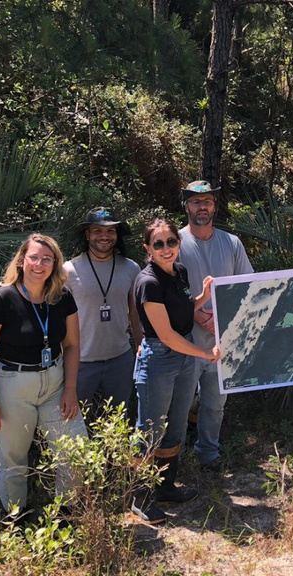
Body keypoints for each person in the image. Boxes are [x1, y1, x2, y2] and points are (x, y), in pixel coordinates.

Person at [0, 234, 87, 513]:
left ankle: (66, 515)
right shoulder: (1, 300)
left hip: (55, 382)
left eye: (47, 259)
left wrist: (70, 388)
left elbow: (71, 345)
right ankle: (16, 518)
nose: (40, 264)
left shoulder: (62, 298)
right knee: (14, 460)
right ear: (22, 261)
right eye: (34, 257)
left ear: (55, 265)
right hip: (12, 385)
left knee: (75, 450)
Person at [130, 217, 219, 524]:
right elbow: (166, 334)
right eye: (158, 244)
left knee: (177, 425)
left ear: (178, 244)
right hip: (160, 360)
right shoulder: (148, 283)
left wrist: (202, 299)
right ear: (148, 248)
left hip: (184, 358)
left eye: (171, 242)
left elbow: (181, 311)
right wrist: (206, 353)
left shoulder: (179, 272)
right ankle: (140, 497)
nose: (166, 248)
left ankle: (166, 487)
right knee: (149, 431)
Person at [176, 180, 254, 473]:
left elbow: (246, 286)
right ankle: (174, 457)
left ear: (215, 206)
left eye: (207, 201)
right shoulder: (174, 242)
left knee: (214, 404)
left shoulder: (231, 243)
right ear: (186, 206)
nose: (202, 207)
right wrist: (196, 314)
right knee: (180, 404)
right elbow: (166, 288)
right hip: (185, 340)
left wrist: (221, 318)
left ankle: (208, 454)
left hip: (222, 340)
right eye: (196, 202)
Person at [64, 207, 143, 423]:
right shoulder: (68, 271)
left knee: (117, 421)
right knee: (73, 421)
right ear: (87, 235)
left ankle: (115, 458)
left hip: (119, 359)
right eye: (97, 231)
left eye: (110, 231)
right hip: (80, 361)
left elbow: (135, 313)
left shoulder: (131, 268)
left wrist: (141, 346)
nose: (104, 236)